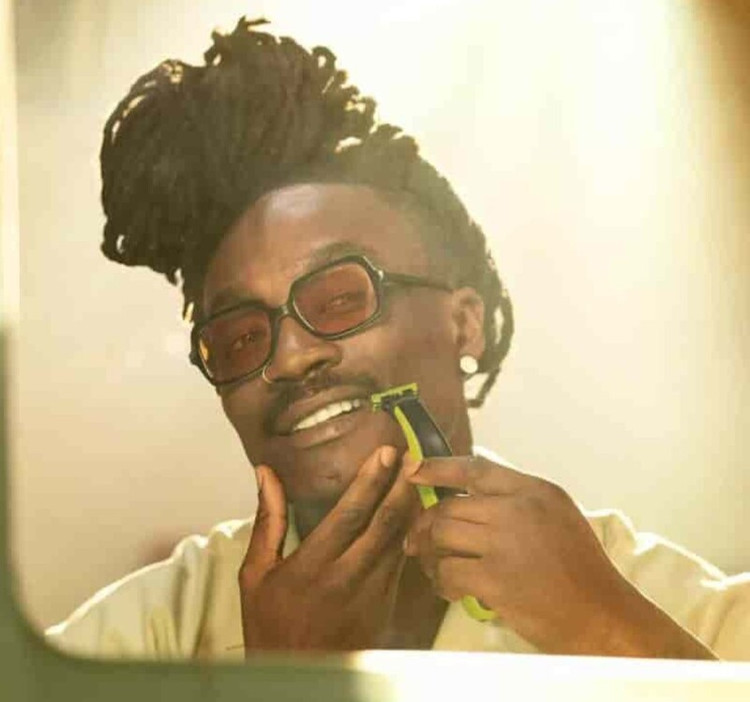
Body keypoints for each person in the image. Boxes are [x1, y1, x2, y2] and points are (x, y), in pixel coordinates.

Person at [46, 17, 749, 661]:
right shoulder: (138, 642)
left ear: (464, 322)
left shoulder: (693, 614)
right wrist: (278, 698)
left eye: (340, 298)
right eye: (240, 339)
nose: (290, 356)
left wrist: (606, 628)